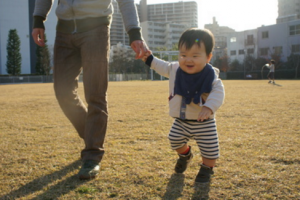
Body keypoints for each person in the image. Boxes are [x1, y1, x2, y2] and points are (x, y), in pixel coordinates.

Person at [32, 0, 149, 180]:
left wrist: (134, 32)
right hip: (64, 31)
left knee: (95, 94)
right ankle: (91, 135)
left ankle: (92, 155)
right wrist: (38, 19)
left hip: (96, 28)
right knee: (62, 91)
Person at [142, 28, 225, 184]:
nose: (188, 60)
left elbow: (218, 93)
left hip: (204, 122)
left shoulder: (211, 76)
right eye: (183, 55)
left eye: (195, 56)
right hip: (181, 120)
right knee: (174, 139)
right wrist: (149, 59)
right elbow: (162, 66)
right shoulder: (175, 70)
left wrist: (208, 108)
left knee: (210, 150)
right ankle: (185, 155)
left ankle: (207, 168)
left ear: (208, 57)